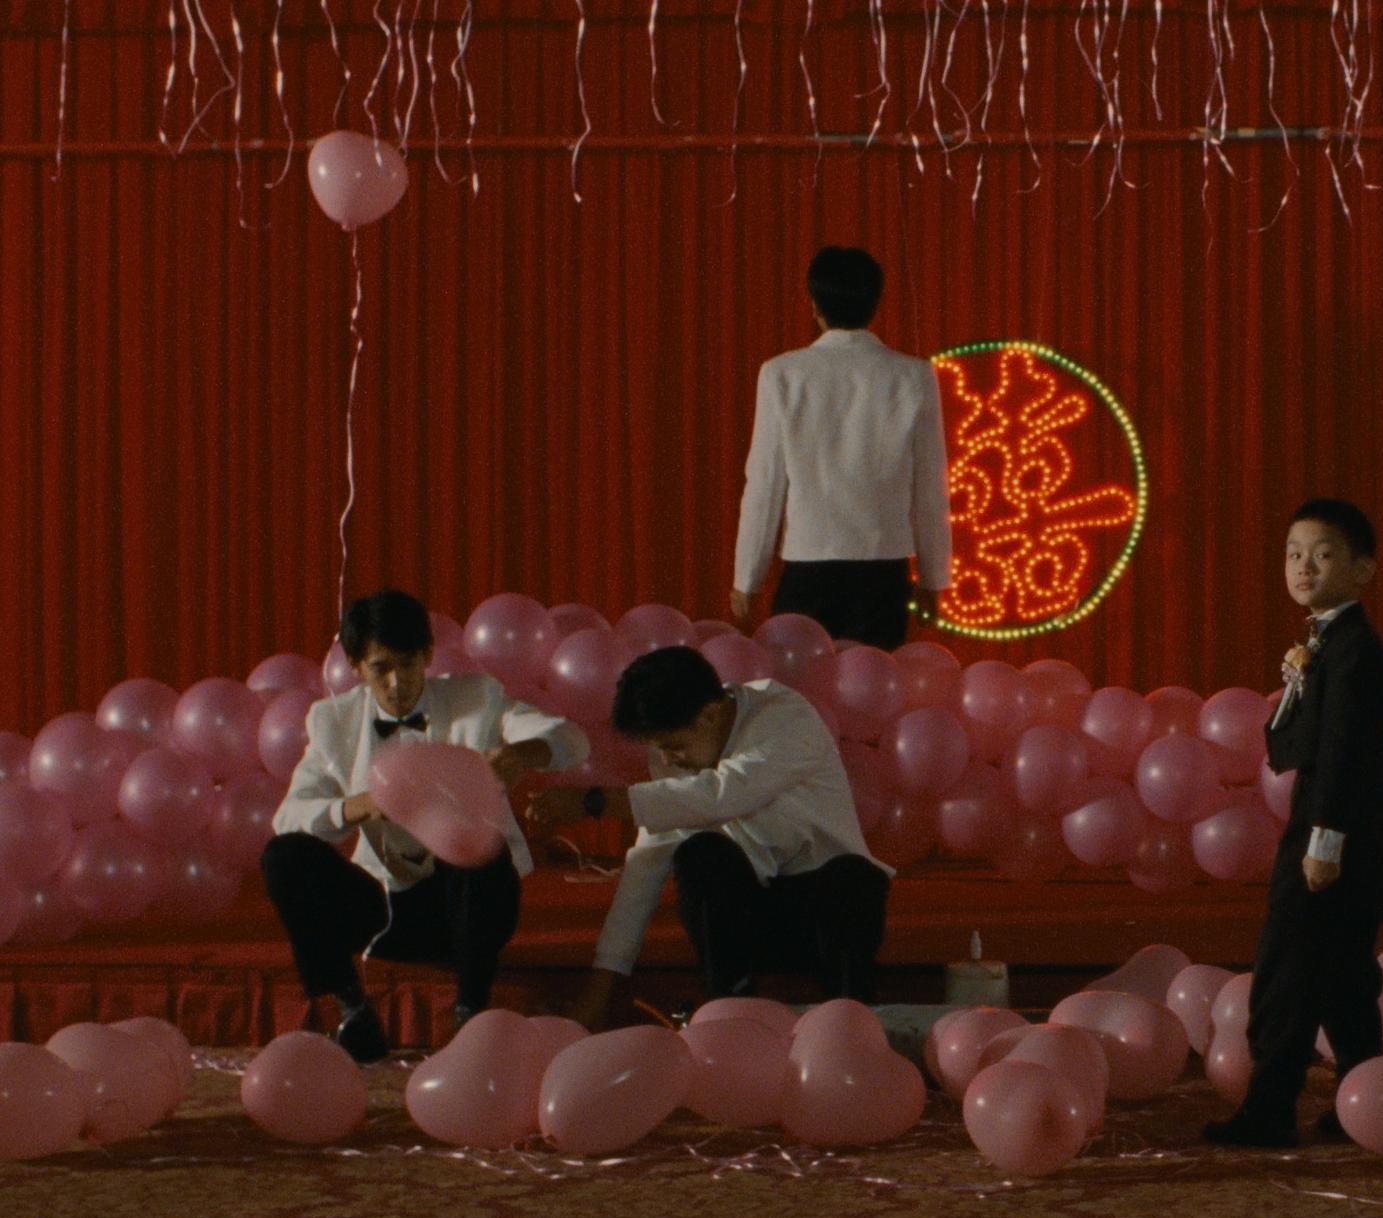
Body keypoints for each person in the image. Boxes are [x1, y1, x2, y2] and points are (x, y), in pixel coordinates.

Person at [265, 588, 586, 1063]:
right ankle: (353, 1012)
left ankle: (470, 1018)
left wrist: (523, 754)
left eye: (408, 664)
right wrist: (360, 805)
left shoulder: (476, 697)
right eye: (380, 668)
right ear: (356, 666)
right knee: (284, 855)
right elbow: (287, 818)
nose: (397, 682)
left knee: (477, 838)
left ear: (429, 656)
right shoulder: (333, 720)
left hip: (472, 907)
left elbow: (571, 740)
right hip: (385, 915)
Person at [529, 645, 893, 1030]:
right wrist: (597, 994)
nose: (668, 761)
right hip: (750, 917)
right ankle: (731, 1011)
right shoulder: (676, 756)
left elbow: (725, 793)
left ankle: (853, 1021)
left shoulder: (785, 716)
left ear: (711, 714)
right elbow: (647, 862)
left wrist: (594, 802)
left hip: (824, 914)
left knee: (853, 876)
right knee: (699, 855)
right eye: (659, 750)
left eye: (674, 746)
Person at [1204, 499, 1383, 1148]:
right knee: (1344, 976)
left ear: (1361, 570)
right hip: (1341, 833)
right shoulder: (1327, 643)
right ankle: (1367, 1101)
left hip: (1334, 836)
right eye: (1294, 553)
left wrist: (1323, 845)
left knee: (1287, 969)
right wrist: (1296, 681)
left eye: (1322, 554)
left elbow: (1341, 762)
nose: (1303, 566)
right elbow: (1290, 748)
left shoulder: (1354, 653)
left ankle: (1268, 1110)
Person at [729, 245, 953, 648]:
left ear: (814, 305)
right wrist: (934, 576)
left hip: (807, 564)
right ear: (876, 302)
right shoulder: (913, 375)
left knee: (802, 695)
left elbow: (764, 484)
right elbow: (930, 486)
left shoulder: (782, 373)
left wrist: (747, 577)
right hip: (884, 571)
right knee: (874, 696)